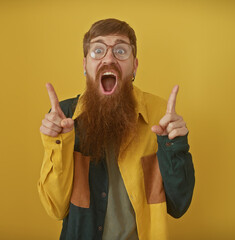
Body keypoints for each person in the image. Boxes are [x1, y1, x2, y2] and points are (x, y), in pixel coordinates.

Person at [38, 18, 195, 240]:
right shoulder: (64, 117)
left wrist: (174, 146)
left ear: (134, 66)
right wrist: (57, 143)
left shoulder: (159, 115)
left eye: (121, 50)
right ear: (85, 66)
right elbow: (55, 208)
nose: (109, 58)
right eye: (98, 50)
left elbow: (179, 205)